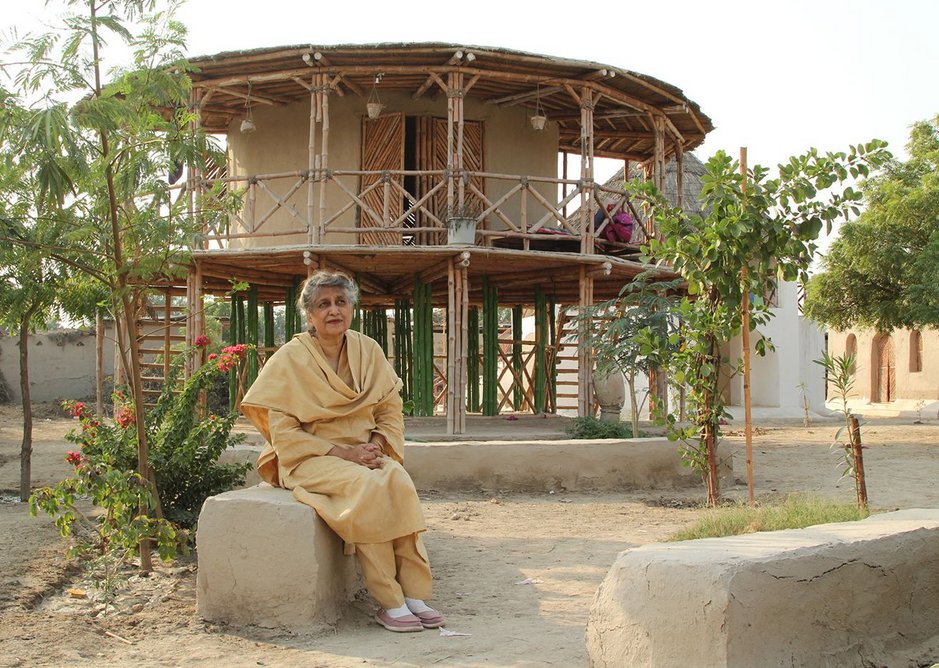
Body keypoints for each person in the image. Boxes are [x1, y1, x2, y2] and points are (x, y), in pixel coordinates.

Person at [240, 271, 444, 633]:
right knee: (368, 489)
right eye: (324, 304)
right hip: (310, 459)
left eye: (341, 302)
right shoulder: (290, 359)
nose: (334, 310)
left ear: (352, 307)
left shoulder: (369, 350)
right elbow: (284, 434)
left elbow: (389, 410)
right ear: (309, 315)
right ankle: (390, 600)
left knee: (397, 479)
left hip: (365, 454)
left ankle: (415, 593)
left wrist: (376, 446)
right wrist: (344, 454)